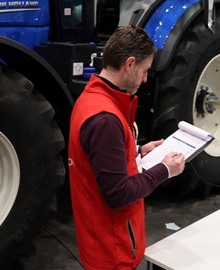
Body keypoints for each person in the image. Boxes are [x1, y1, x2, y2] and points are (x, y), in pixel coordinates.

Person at [68, 25, 185, 270]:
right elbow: (118, 194)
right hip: (113, 250)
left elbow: (99, 160)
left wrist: (137, 152)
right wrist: (164, 170)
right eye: (144, 71)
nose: (144, 79)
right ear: (130, 64)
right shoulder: (106, 119)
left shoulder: (90, 99)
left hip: (98, 241)